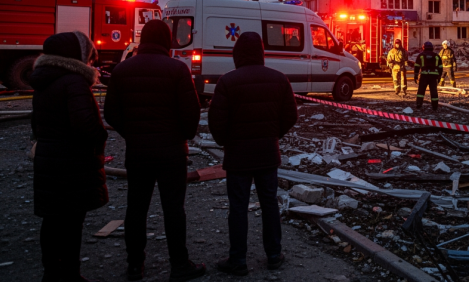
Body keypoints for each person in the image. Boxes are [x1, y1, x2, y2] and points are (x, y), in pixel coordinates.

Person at [104, 20, 205, 282]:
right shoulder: (177, 69)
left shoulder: (122, 70)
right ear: (167, 41)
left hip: (138, 152)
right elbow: (191, 112)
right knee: (174, 209)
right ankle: (180, 265)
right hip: (172, 153)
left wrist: (132, 134)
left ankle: (135, 265)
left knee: (136, 208)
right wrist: (182, 135)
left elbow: (111, 113)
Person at [209, 32, 298, 276]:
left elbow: (216, 121)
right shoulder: (279, 79)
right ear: (261, 53)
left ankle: (237, 259)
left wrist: (227, 142)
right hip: (267, 154)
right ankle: (274, 255)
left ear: (237, 54)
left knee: (238, 206)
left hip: (238, 156)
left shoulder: (227, 82)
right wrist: (273, 135)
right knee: (269, 203)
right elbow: (291, 116)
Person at [30, 31, 108, 282]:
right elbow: (85, 125)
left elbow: (37, 123)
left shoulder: (44, 80)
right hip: (72, 162)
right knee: (72, 222)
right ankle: (71, 275)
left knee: (52, 221)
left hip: (49, 158)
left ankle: (51, 273)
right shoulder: (74, 82)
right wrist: (100, 138)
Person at [414, 41, 441, 110]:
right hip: (433, 76)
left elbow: (417, 66)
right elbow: (440, 67)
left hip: (424, 75)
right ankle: (435, 106)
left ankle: (419, 104)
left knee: (421, 90)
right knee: (434, 91)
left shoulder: (421, 55)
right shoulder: (436, 56)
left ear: (424, 47)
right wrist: (439, 76)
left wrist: (416, 75)